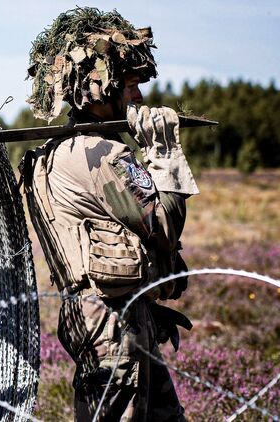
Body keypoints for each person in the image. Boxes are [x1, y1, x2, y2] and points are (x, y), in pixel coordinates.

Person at [22, 8, 198, 421]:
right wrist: (164, 153)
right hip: (113, 324)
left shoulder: (54, 152)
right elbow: (164, 225)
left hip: (102, 315)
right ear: (100, 90)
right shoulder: (103, 154)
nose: (139, 98)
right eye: (131, 86)